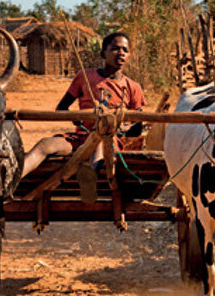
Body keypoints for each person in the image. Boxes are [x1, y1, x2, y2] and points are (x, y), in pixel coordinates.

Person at [21, 32, 146, 198]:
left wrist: (121, 127)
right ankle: (11, 179)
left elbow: (137, 129)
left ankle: (88, 184)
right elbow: (62, 108)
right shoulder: (84, 77)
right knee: (45, 145)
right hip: (79, 138)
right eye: (115, 49)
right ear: (103, 53)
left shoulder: (133, 87)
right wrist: (77, 117)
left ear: (129, 55)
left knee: (99, 143)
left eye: (125, 50)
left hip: (109, 141)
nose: (121, 53)